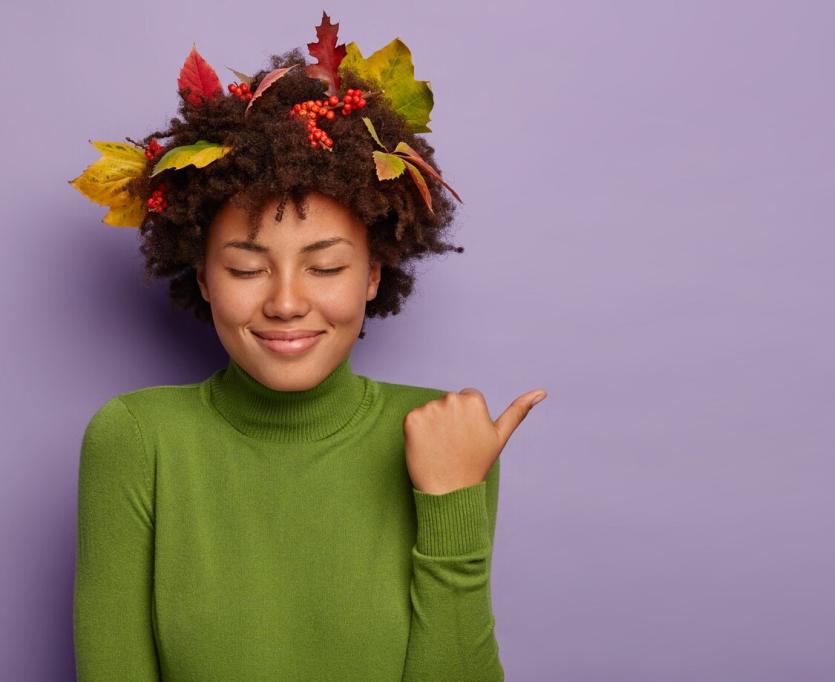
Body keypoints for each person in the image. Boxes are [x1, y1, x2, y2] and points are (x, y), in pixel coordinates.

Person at [69, 12, 546, 680]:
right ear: (203, 277)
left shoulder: (445, 434)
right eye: (245, 268)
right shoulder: (137, 440)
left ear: (373, 274)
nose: (287, 302)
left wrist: (453, 505)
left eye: (325, 267)